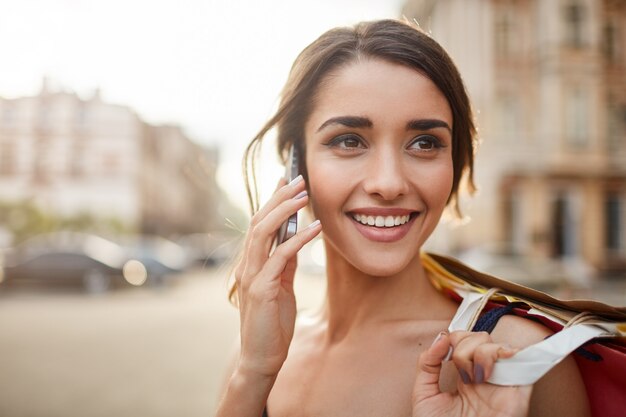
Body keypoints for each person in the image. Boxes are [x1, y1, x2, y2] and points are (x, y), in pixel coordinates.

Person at [216, 19, 590, 417]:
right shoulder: (258, 354)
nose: (389, 183)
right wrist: (252, 375)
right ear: (296, 165)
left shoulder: (520, 362)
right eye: (348, 141)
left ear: (455, 163)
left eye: (425, 143)